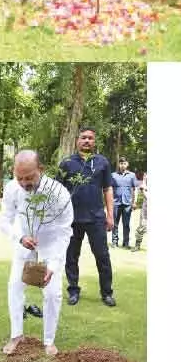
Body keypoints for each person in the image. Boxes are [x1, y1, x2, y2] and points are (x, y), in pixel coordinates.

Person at [0, 151, 74, 357]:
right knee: (14, 286)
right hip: (24, 246)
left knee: (52, 294)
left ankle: (49, 341)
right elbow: (4, 220)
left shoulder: (58, 192)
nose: (24, 182)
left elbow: (65, 230)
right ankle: (16, 335)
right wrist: (20, 236)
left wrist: (54, 264)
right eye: (19, 177)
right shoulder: (12, 188)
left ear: (41, 170)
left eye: (29, 177)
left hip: (50, 250)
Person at [57, 127, 116, 307]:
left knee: (102, 256)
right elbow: (57, 191)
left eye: (90, 138)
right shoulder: (66, 163)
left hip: (96, 218)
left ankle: (106, 292)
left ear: (94, 141)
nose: (87, 141)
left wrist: (110, 215)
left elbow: (107, 189)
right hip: (71, 219)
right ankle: (73, 290)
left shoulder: (102, 162)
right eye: (84, 138)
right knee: (71, 256)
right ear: (77, 141)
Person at [110, 158, 140, 248]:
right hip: (116, 203)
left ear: (127, 164)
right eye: (121, 163)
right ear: (119, 164)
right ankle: (114, 242)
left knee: (126, 224)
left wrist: (134, 202)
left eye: (124, 163)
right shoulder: (113, 175)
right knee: (115, 224)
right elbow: (109, 189)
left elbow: (135, 189)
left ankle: (126, 243)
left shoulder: (132, 175)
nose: (122, 165)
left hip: (127, 203)